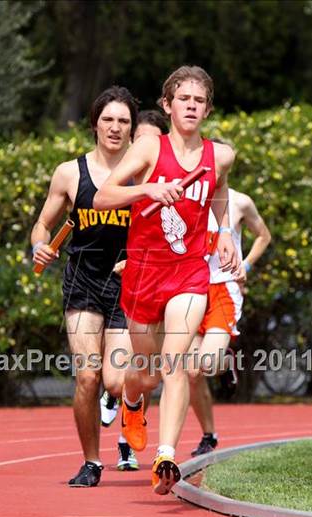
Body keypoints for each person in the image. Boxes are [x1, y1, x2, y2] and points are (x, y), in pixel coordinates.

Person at [94, 66, 239, 495]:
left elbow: (221, 191)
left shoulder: (221, 155)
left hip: (191, 271)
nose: (191, 106)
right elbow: (104, 196)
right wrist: (148, 191)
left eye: (199, 101)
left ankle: (165, 455)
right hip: (144, 271)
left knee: (177, 362)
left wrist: (225, 232)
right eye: (184, 99)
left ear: (208, 109)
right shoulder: (148, 149)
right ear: (167, 105)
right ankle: (132, 403)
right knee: (146, 373)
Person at [31, 86, 139, 486]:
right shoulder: (68, 173)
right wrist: (40, 247)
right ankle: (92, 462)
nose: (115, 127)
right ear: (95, 124)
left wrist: (140, 258)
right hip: (82, 283)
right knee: (87, 377)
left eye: (123, 121)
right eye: (108, 119)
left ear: (132, 129)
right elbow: (42, 225)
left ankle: (125, 398)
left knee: (113, 380)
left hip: (128, 284)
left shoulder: (142, 172)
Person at [188, 183, 271, 456]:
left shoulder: (239, 202)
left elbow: (263, 236)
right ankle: (209, 435)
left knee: (208, 364)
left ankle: (225, 362)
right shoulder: (187, 197)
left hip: (224, 288)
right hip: (191, 288)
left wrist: (245, 265)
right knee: (191, 372)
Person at [99, 109, 169, 432]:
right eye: (140, 140)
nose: (146, 148)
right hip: (112, 285)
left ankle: (129, 437)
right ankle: (120, 400)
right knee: (114, 378)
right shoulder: (117, 184)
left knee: (149, 372)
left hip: (153, 281)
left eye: (153, 141)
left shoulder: (168, 187)